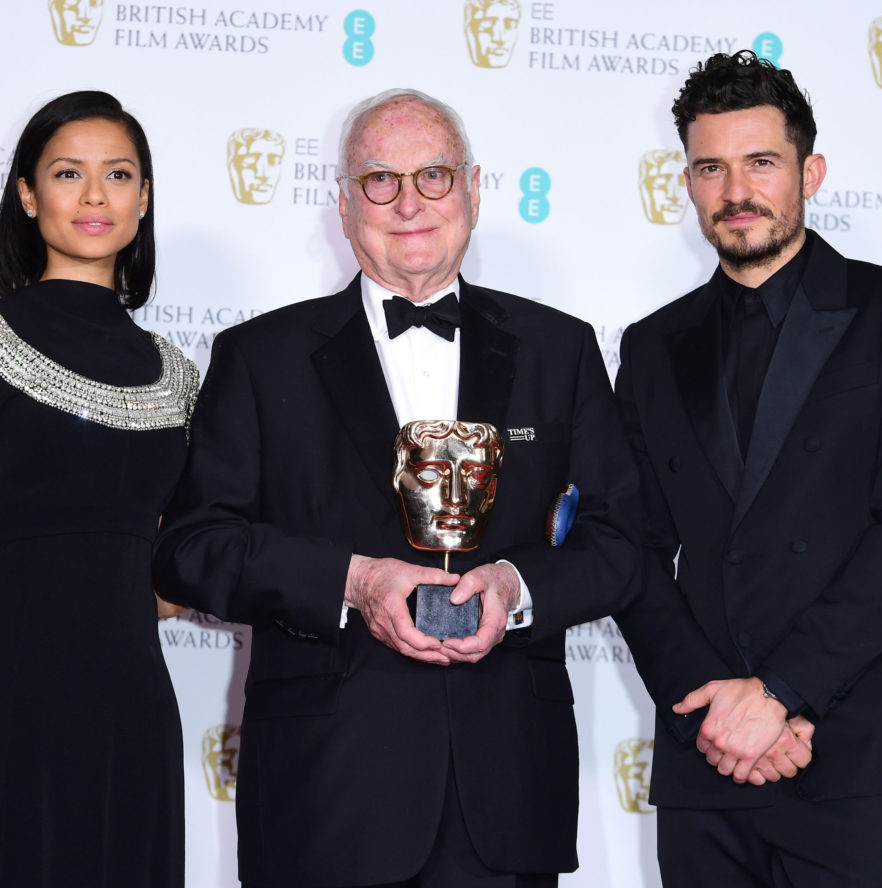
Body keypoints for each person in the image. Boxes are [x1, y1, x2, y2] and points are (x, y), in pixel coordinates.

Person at [154, 87, 638, 888]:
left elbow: (620, 544)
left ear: (474, 192)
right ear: (344, 208)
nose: (409, 201)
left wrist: (515, 585)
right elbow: (191, 549)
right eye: (380, 180)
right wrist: (353, 580)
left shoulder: (561, 350)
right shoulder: (258, 357)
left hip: (506, 797)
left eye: (435, 177)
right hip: (325, 797)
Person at [614, 51, 882, 887]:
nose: (735, 190)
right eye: (711, 167)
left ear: (809, 172)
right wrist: (714, 707)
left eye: (761, 163)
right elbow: (629, 551)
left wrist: (780, 696)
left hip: (861, 744)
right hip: (708, 750)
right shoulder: (649, 347)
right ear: (686, 183)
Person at [0, 91, 197, 887]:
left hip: (131, 720)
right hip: (2, 710)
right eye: (69, 173)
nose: (95, 196)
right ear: (28, 195)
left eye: (119, 174)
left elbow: (172, 576)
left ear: (143, 198)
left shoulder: (179, 378)